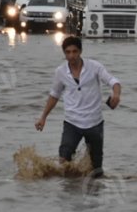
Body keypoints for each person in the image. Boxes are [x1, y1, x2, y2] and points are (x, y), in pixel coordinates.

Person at [35, 36, 122, 178]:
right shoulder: (61, 72)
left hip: (94, 123)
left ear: (80, 51)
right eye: (68, 52)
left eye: (75, 52)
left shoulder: (94, 67)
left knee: (97, 169)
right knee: (64, 159)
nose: (71, 56)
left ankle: (94, 194)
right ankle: (68, 191)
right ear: (64, 53)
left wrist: (116, 95)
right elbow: (54, 95)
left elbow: (113, 81)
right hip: (72, 122)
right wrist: (43, 117)